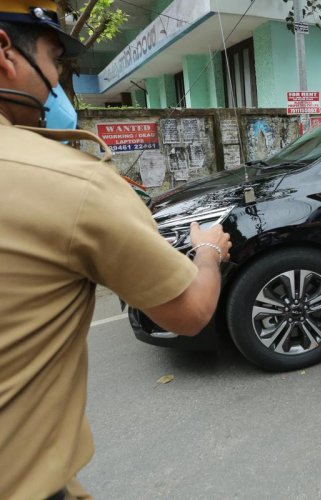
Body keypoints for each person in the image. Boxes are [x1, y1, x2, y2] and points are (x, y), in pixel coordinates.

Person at [0, 2, 232, 498]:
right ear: (4, 51)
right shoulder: (75, 182)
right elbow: (189, 313)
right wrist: (207, 252)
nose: (57, 82)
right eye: (53, 59)